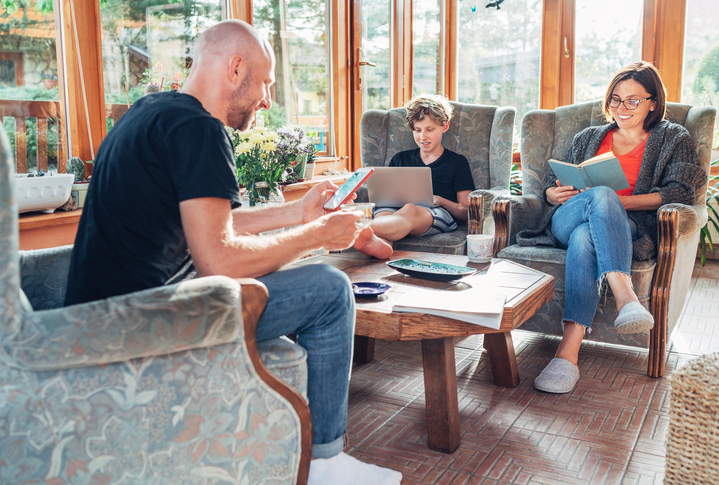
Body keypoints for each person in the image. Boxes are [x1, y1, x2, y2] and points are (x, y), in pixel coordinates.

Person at [64, 20, 402, 485]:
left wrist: (296, 213)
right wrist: (319, 236)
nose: (267, 99)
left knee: (313, 275)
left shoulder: (151, 112)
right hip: (143, 325)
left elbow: (208, 225)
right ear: (236, 67)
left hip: (103, 314)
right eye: (266, 83)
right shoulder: (200, 130)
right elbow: (218, 260)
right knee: (329, 289)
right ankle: (325, 464)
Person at [517, 61, 707, 394]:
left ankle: (567, 354)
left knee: (586, 236)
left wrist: (617, 203)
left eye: (633, 100)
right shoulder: (588, 137)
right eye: (616, 99)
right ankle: (625, 296)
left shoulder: (672, 138)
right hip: (565, 218)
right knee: (592, 208)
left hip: (627, 227)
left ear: (652, 102)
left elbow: (680, 191)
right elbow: (549, 183)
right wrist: (553, 192)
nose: (622, 108)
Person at [354, 94, 476, 259]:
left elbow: (466, 211)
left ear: (445, 126)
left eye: (429, 129)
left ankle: (354, 228)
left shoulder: (457, 162)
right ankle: (382, 248)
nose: (422, 137)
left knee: (410, 209)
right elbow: (386, 198)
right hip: (395, 210)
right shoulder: (400, 158)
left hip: (437, 213)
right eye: (417, 130)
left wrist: (440, 200)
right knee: (384, 213)